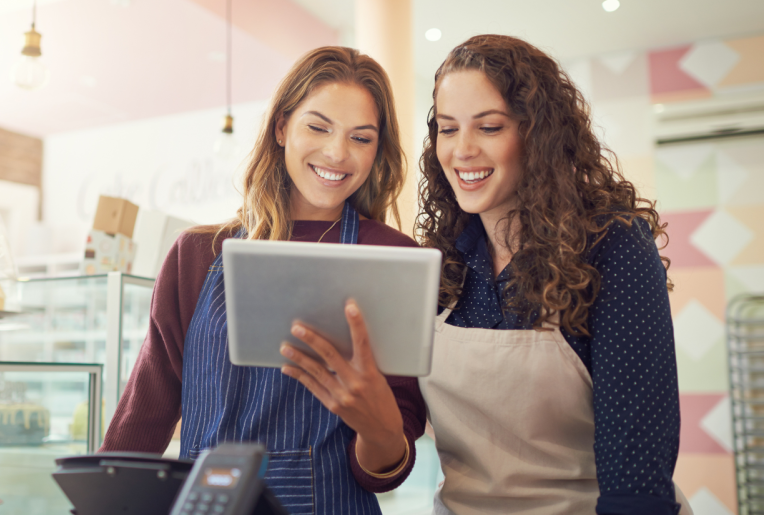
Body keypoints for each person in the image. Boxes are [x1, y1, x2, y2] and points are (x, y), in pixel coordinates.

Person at [283, 35, 691, 515]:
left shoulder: (611, 246)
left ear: (538, 134)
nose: (462, 150)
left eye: (490, 127)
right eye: (448, 129)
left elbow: (638, 483)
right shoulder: (439, 264)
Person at [101, 46, 427, 514]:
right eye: (318, 127)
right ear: (281, 128)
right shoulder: (196, 254)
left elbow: (388, 467)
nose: (337, 152)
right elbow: (145, 414)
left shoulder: (394, 258)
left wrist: (377, 427)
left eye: (361, 137)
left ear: (377, 150)